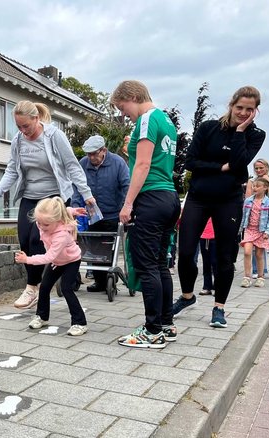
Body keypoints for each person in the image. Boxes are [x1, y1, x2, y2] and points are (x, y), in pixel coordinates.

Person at [0, 101, 94, 310]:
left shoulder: (54, 136)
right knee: (25, 239)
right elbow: (12, 171)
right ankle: (45, 278)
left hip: (54, 196)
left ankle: (32, 287)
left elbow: (72, 165)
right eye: (19, 127)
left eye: (26, 126)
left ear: (36, 119)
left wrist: (86, 194)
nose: (23, 131)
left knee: (38, 238)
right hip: (30, 195)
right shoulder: (18, 140)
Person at [173, 85, 266, 328]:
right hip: (198, 197)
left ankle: (219, 307)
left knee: (224, 257)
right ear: (231, 105)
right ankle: (187, 296)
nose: (243, 113)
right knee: (185, 253)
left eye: (249, 109)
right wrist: (220, 167)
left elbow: (239, 162)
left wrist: (241, 131)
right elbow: (190, 161)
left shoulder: (255, 135)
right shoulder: (208, 128)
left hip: (228, 200)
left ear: (256, 111)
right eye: (239, 108)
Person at [110, 80, 181, 348]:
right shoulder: (165, 119)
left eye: (123, 107)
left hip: (150, 198)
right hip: (169, 197)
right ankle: (165, 324)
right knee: (160, 264)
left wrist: (127, 204)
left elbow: (142, 164)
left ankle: (152, 331)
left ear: (133, 96)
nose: (124, 114)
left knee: (147, 265)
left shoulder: (147, 118)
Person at [14, 197, 89, 336]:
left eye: (46, 224)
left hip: (71, 261)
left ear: (57, 220)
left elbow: (49, 257)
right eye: (39, 222)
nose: (41, 227)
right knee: (44, 287)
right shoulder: (46, 221)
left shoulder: (61, 235)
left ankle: (80, 323)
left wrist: (27, 259)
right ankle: (42, 316)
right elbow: (64, 210)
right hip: (58, 261)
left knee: (66, 288)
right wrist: (73, 210)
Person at [71, 134, 130, 292]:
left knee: (108, 247)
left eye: (94, 154)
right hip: (92, 214)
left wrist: (126, 207)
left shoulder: (118, 163)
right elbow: (77, 186)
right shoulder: (83, 164)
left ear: (103, 150)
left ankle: (109, 278)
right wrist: (75, 207)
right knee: (95, 248)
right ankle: (100, 282)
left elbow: (126, 186)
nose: (91, 157)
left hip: (113, 214)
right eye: (88, 154)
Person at [245, 158, 269, 280]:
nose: (259, 170)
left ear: (267, 168)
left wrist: (268, 182)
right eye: (256, 168)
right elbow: (248, 198)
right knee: (256, 244)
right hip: (257, 215)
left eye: (261, 168)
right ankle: (258, 270)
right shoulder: (252, 181)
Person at [239, 177, 269, 288]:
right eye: (253, 186)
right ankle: (247, 277)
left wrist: (267, 232)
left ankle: (260, 277)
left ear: (265, 187)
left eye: (257, 186)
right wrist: (240, 229)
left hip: (261, 231)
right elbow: (244, 215)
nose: (254, 188)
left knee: (259, 254)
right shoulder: (248, 200)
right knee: (247, 252)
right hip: (249, 229)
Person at [199, 218, 216, 296]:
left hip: (215, 237)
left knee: (215, 262)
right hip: (203, 236)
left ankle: (217, 287)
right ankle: (207, 286)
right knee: (206, 263)